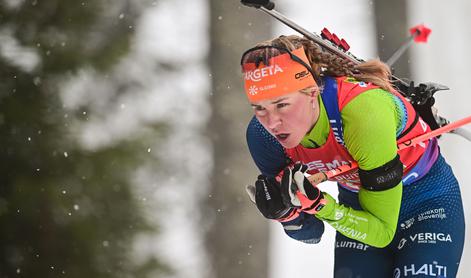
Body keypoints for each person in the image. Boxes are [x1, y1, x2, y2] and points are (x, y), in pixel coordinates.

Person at [241, 35, 465, 277]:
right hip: (359, 203)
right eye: (260, 108)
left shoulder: (363, 115)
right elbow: (311, 234)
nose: (272, 122)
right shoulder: (262, 136)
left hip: (427, 202)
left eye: (282, 105)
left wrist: (321, 205)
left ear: (312, 92)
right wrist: (287, 215)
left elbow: (381, 232)